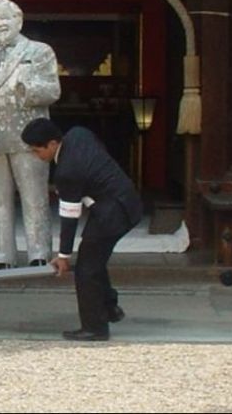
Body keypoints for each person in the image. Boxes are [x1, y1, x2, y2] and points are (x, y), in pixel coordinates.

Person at [21, 118, 143, 341]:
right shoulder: (79, 133)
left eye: (37, 150)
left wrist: (63, 256)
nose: (37, 155)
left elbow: (69, 217)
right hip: (126, 198)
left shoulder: (66, 172)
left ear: (51, 143)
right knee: (92, 260)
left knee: (86, 269)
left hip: (112, 214)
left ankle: (95, 327)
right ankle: (108, 308)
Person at [0, 0, 61, 268]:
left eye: (4, 18)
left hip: (29, 137)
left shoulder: (39, 51)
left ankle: (39, 252)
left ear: (19, 20)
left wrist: (24, 87)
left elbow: (53, 90)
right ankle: (3, 254)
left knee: (34, 198)